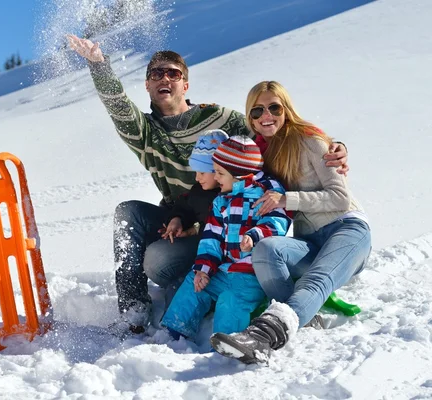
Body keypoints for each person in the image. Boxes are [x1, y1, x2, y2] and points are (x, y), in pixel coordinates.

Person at [66, 34, 348, 333]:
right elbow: (119, 108)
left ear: (185, 84)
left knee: (160, 261)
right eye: (155, 74)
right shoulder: (145, 132)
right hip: (183, 215)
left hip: (232, 222)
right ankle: (135, 310)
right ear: (147, 85)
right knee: (130, 215)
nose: (165, 78)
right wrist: (99, 67)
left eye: (173, 73)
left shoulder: (219, 118)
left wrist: (330, 145)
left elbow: (271, 129)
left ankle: (217, 280)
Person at [210, 81, 371, 364]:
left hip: (347, 228)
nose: (266, 115)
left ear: (287, 109)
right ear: (250, 116)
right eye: (257, 110)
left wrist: (288, 199)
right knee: (266, 249)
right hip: (310, 239)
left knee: (316, 279)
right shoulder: (260, 152)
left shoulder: (310, 140)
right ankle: (302, 316)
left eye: (274, 107)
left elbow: (340, 198)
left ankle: (264, 336)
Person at [161, 136, 291, 340]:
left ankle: (227, 343)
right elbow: (211, 237)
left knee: (230, 301)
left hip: (251, 274)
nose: (217, 178)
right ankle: (173, 332)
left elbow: (277, 222)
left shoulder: (267, 193)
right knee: (193, 284)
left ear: (240, 175)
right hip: (223, 269)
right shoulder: (221, 201)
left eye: (220, 173)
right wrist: (203, 269)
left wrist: (254, 236)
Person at [108, 129, 229, 334]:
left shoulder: (232, 194)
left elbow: (224, 226)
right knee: (127, 211)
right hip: (190, 246)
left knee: (175, 282)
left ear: (220, 170)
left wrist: (195, 229)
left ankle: (175, 324)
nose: (197, 178)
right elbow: (187, 204)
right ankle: (134, 309)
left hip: (211, 257)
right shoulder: (201, 189)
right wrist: (176, 219)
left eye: (202, 172)